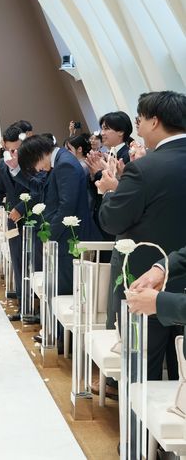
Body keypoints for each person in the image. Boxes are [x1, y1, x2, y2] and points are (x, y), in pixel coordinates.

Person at [96, 90, 186, 381]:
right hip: (179, 281)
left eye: (141, 120)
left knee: (142, 374)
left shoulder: (145, 168)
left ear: (155, 121)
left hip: (146, 281)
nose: (139, 127)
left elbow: (112, 221)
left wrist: (109, 192)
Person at [18, 134, 100, 296]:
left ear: (38, 154)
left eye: (34, 165)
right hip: (64, 238)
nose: (37, 170)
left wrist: (49, 236)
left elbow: (66, 207)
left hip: (68, 239)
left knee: (63, 294)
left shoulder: (64, 164)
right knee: (58, 292)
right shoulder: (60, 161)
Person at [0, 124, 30, 321]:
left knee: (34, 265)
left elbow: (38, 190)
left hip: (33, 220)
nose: (13, 154)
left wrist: (21, 208)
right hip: (12, 224)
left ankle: (37, 309)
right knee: (17, 263)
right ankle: (23, 307)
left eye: (17, 149)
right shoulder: (2, 165)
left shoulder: (32, 162)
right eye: (9, 149)